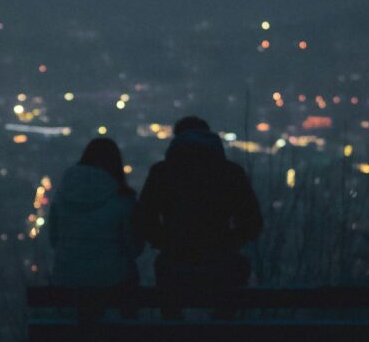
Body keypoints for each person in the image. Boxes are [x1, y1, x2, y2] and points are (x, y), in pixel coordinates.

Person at [134, 116, 263, 322]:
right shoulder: (230, 172)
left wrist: (165, 242)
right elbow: (252, 222)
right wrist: (228, 243)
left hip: (175, 261)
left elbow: (144, 218)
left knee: (169, 304)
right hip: (220, 262)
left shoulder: (162, 172)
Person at [48, 137, 142, 288]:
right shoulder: (123, 199)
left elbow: (54, 240)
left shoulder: (62, 195)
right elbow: (133, 247)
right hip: (113, 278)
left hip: (66, 277)